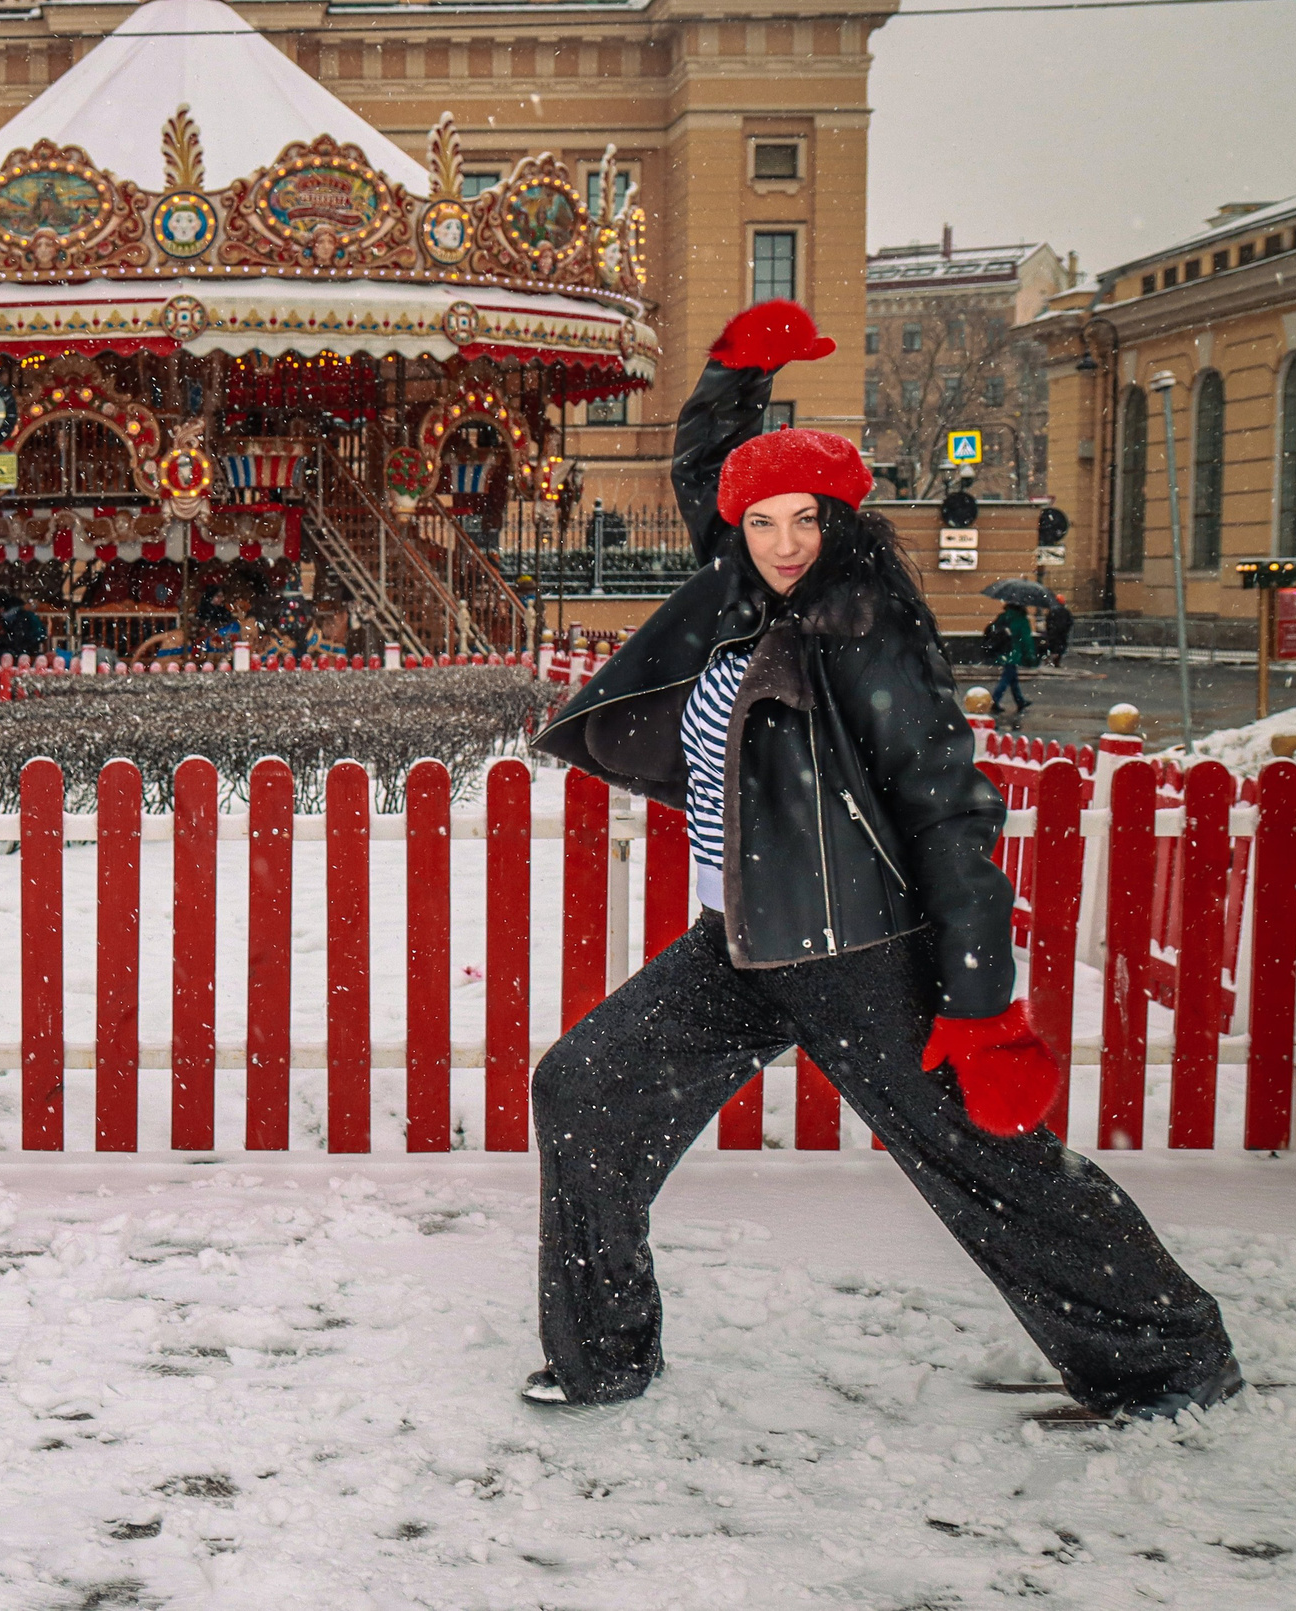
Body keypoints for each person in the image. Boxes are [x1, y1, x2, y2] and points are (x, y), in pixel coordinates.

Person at [527, 298, 1238, 1421]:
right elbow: (710, 469)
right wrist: (735, 371)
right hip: (740, 942)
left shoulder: (867, 623)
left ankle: (1170, 1359)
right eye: (761, 523)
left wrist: (980, 1001)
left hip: (861, 953)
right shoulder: (740, 585)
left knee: (987, 1165)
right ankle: (603, 1359)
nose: (781, 543)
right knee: (584, 1089)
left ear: (841, 521)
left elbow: (947, 807)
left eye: (804, 519)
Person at [982, 600, 1037, 725]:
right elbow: (1026, 640)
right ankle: (994, 700)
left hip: (1003, 651)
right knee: (1007, 677)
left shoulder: (1003, 617)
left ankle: (1020, 701)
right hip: (1014, 652)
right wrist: (1030, 656)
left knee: (1012, 677)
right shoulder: (1022, 620)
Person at [1041, 593, 1073, 669]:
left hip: (1053, 633)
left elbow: (1048, 621)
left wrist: (1049, 629)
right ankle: (1056, 662)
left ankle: (1048, 661)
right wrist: (1066, 629)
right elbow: (1070, 622)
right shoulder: (1065, 611)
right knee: (1059, 649)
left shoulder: (1052, 611)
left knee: (1050, 647)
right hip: (1062, 633)